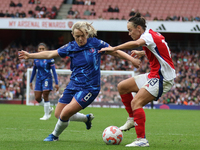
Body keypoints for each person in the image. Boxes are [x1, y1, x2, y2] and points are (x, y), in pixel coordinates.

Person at [18, 21, 140, 141]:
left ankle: (54, 136)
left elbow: (115, 51)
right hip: (73, 85)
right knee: (58, 114)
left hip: (90, 88)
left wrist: (131, 60)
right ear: (73, 35)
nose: (80, 39)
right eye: (77, 36)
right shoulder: (71, 47)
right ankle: (86, 119)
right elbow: (50, 54)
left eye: (82, 35)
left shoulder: (96, 43)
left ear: (87, 34)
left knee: (65, 113)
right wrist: (30, 55)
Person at [99, 13, 176, 147]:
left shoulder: (147, 36)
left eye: (130, 30)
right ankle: (131, 118)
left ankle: (141, 140)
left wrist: (114, 48)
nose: (129, 33)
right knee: (122, 86)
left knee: (136, 102)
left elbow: (135, 43)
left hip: (162, 78)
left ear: (139, 28)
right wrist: (142, 52)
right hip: (155, 74)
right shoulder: (152, 34)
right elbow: (161, 49)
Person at [29, 43, 59, 120]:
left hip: (47, 78)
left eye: (43, 49)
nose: (41, 50)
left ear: (45, 49)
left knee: (45, 95)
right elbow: (34, 71)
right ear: (38, 50)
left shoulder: (49, 58)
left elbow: (54, 71)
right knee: (37, 97)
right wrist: (31, 81)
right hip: (39, 79)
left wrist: (56, 83)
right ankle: (49, 109)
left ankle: (46, 115)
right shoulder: (36, 59)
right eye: (40, 49)